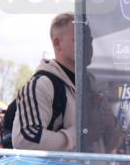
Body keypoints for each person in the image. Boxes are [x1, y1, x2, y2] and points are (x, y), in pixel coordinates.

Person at [10, 12, 79, 151]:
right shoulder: (42, 84)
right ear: (57, 44)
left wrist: (109, 131)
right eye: (78, 39)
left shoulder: (93, 86)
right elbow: (25, 139)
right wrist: (78, 135)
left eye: (89, 40)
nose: (88, 45)